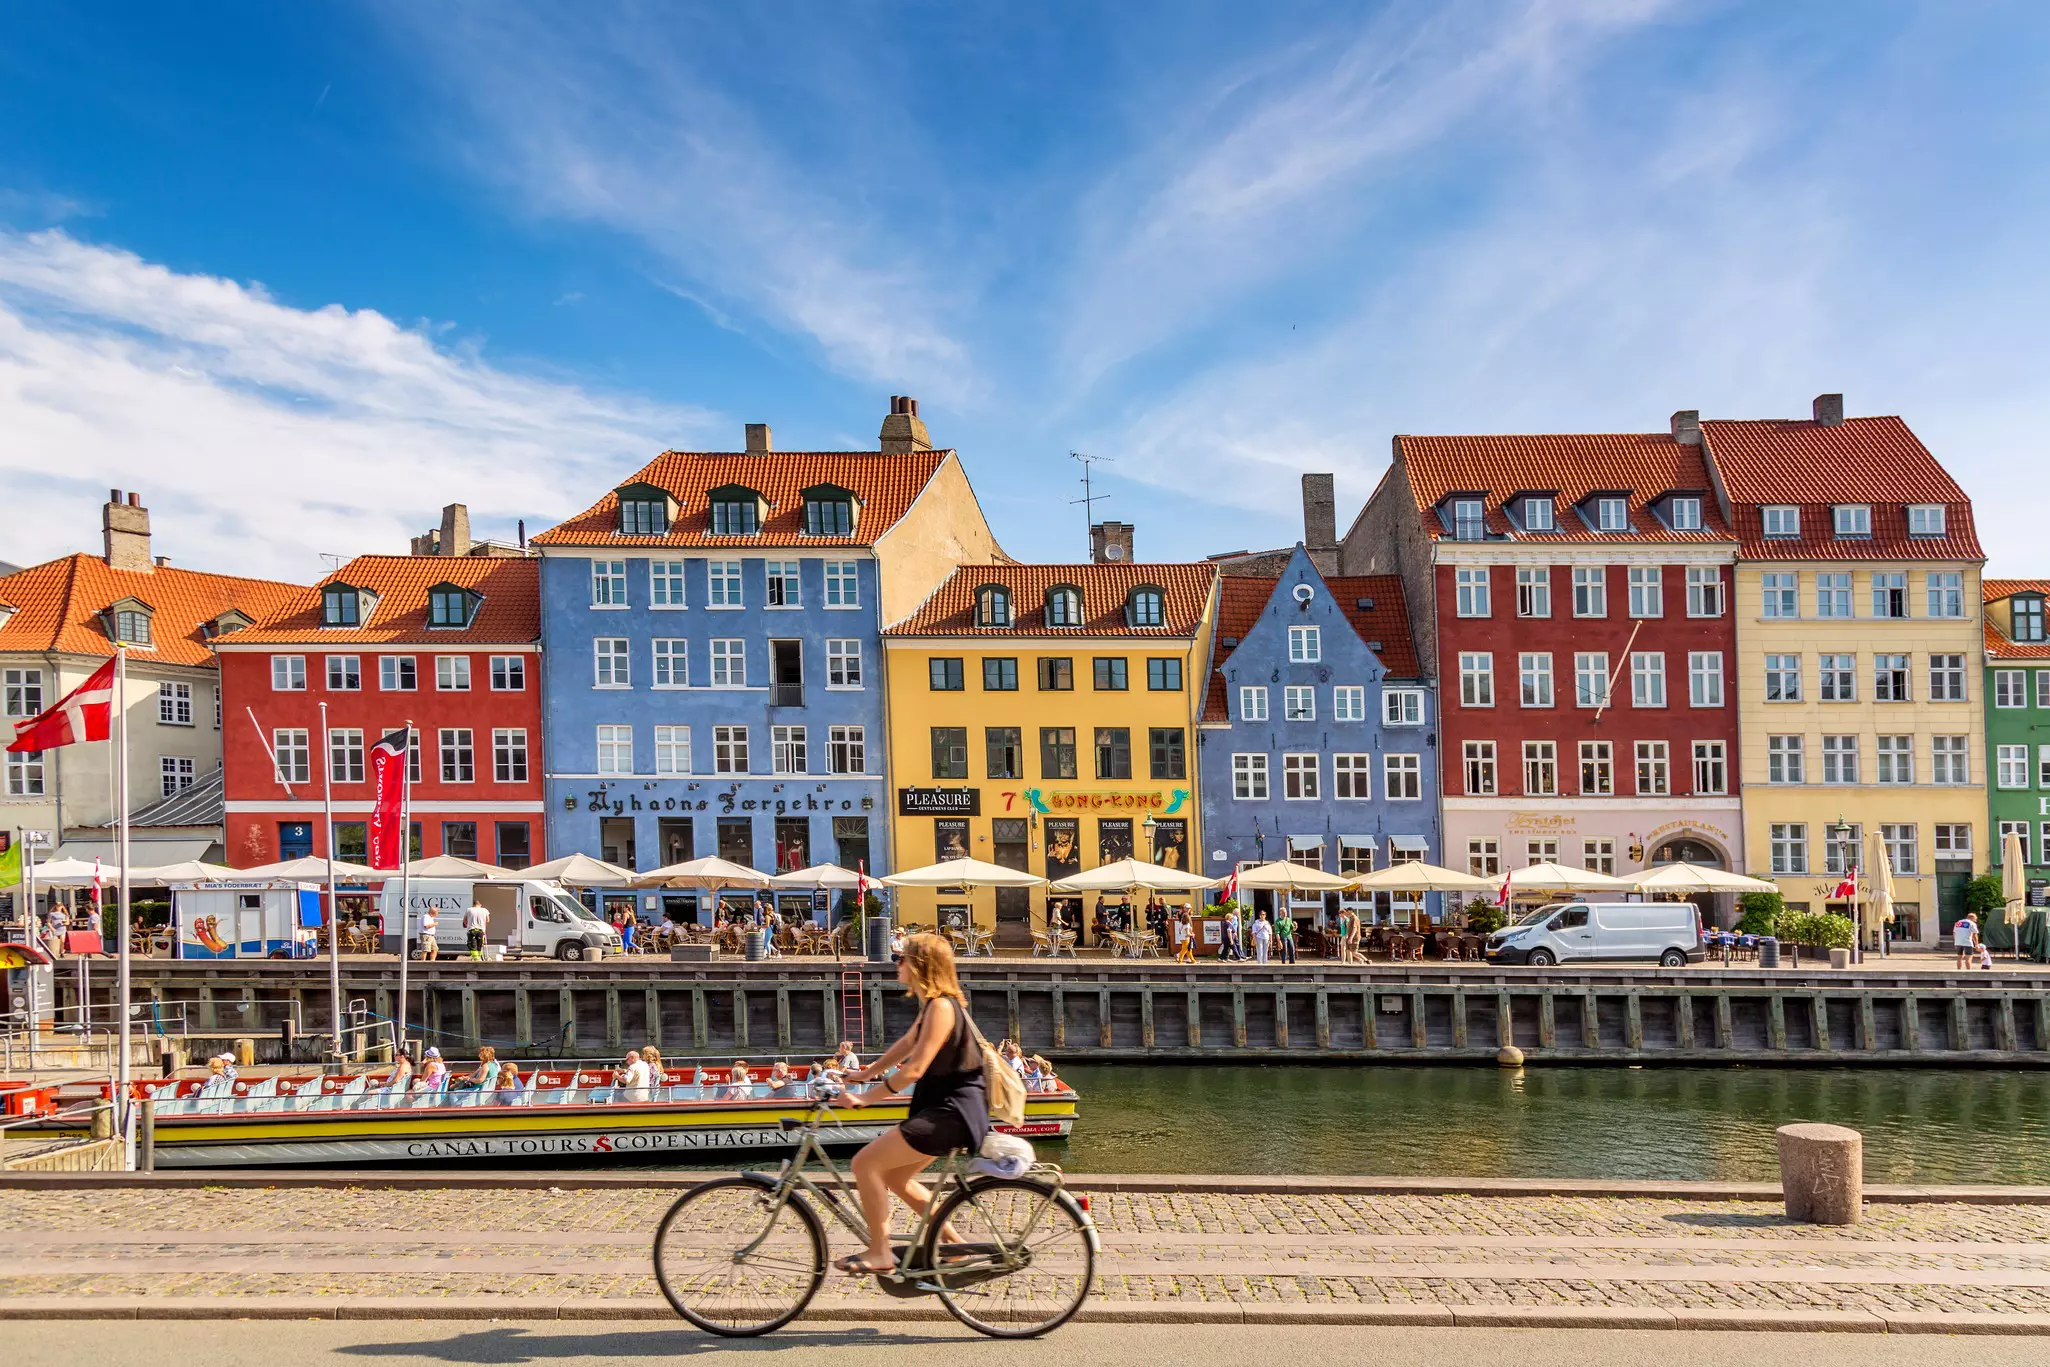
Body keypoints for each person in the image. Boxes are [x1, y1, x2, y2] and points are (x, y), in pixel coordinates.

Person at [835, 933, 989, 1276]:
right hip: (944, 1110)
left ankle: (880, 1252)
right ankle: (954, 1248)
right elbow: (906, 1045)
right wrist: (865, 1074)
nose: (897, 964)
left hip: (951, 1113)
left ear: (919, 965)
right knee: (896, 1178)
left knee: (864, 1165)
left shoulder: (941, 1007)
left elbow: (915, 1068)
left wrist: (866, 1099)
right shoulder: (933, 1005)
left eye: (901, 958)